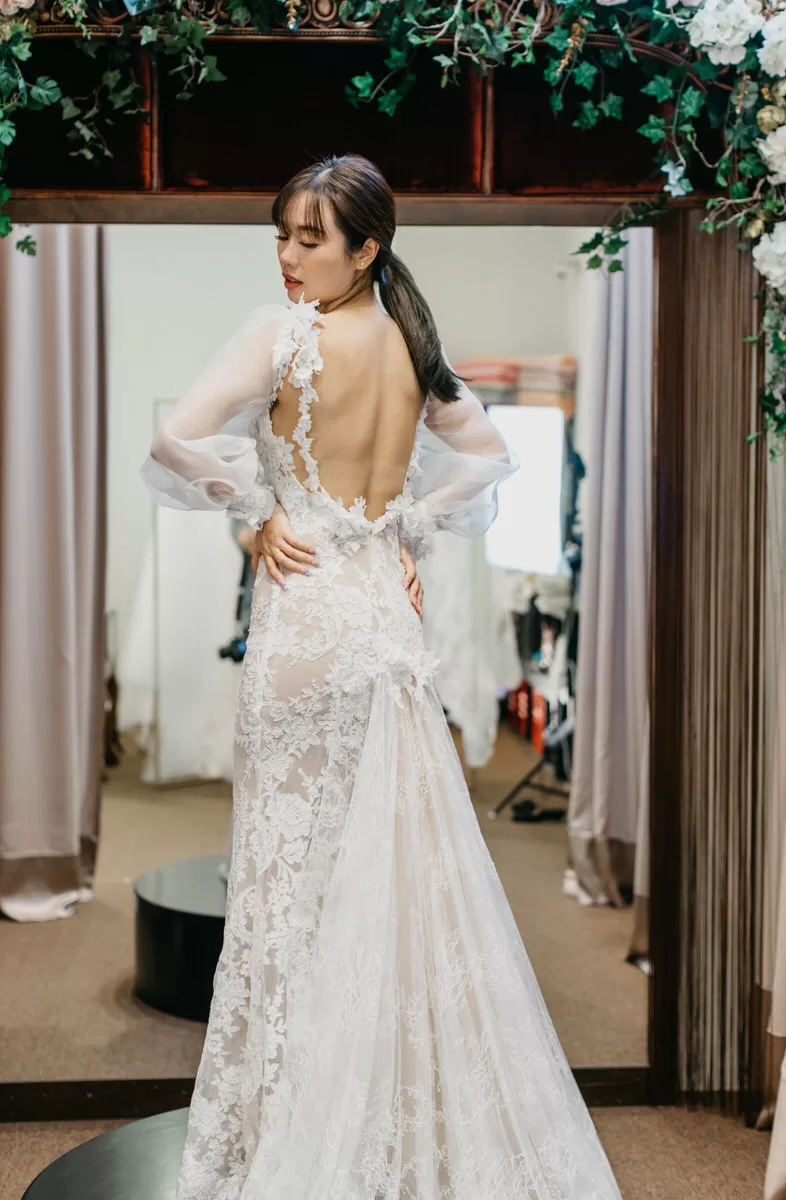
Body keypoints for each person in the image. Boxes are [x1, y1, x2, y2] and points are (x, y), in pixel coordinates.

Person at [140, 154, 622, 1200]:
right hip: (384, 626)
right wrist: (402, 524)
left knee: (286, 888)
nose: (287, 258)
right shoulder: (412, 344)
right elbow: (488, 457)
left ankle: (293, 1130)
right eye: (282, 236)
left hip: (307, 620)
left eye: (310, 239)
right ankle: (385, 1118)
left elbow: (174, 438)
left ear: (366, 248)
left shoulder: (282, 338)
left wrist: (256, 512)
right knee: (387, 877)